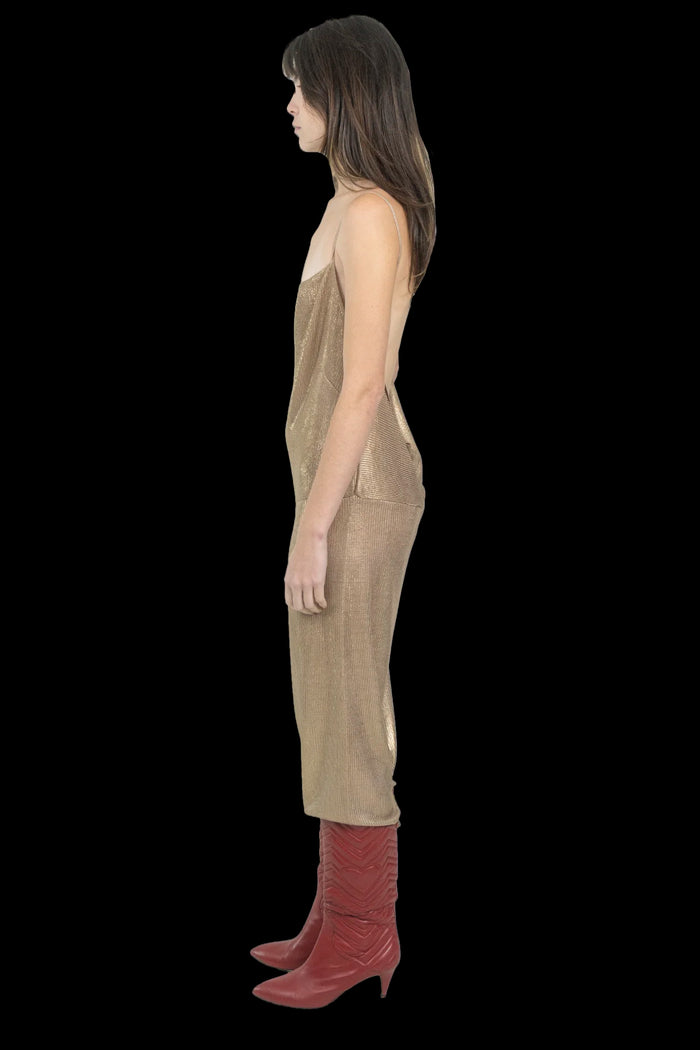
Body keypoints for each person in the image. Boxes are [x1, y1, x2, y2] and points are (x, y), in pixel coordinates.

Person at [251, 15, 436, 1008]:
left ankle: (366, 931)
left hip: (357, 493)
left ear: (347, 95)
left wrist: (313, 527)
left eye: (302, 88)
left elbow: (364, 383)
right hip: (335, 488)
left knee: (352, 704)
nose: (289, 106)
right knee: (326, 698)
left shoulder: (370, 214)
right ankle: (337, 912)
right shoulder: (346, 205)